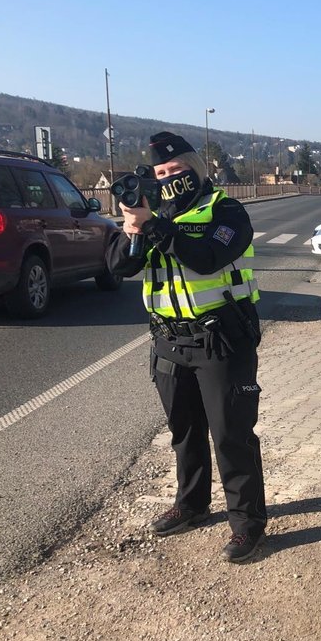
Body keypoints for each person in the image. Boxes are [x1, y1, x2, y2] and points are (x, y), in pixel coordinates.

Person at [107, 131, 267, 563]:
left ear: (195, 168)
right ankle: (192, 505)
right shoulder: (151, 216)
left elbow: (206, 258)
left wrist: (155, 225)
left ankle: (247, 525)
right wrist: (132, 227)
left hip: (220, 340)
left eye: (175, 170)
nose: (167, 178)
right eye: (160, 172)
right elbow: (119, 265)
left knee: (231, 436)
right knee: (185, 433)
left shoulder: (226, 210)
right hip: (168, 341)